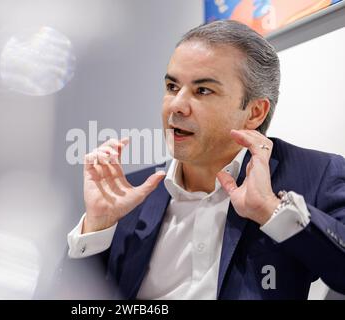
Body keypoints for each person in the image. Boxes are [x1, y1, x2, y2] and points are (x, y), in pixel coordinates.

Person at [57, 20, 345, 299]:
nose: (177, 105)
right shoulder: (129, 193)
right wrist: (97, 228)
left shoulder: (314, 174)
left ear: (255, 112)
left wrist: (271, 210)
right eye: (172, 87)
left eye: (202, 91)